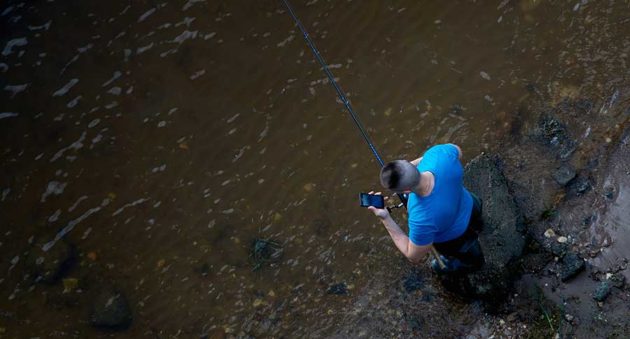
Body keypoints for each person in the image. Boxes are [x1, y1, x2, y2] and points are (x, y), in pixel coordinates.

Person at [367, 143, 484, 274]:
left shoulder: (420, 217)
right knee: (479, 221)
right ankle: (480, 226)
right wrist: (406, 171)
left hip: (456, 237)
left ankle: (463, 264)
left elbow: (413, 255)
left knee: (469, 261)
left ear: (406, 190)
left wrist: (385, 217)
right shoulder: (439, 155)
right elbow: (458, 151)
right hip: (471, 205)